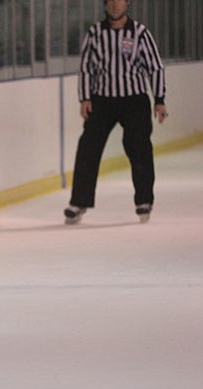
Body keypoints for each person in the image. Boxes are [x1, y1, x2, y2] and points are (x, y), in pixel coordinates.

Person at [64, 0, 167, 225]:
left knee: (139, 148)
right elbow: (85, 67)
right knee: (88, 147)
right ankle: (78, 202)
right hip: (102, 101)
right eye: (110, 1)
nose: (115, 5)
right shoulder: (95, 33)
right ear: (105, 5)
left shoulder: (140, 32)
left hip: (134, 100)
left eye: (119, 1)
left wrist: (159, 100)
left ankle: (144, 200)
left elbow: (155, 66)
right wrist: (85, 98)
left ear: (126, 3)